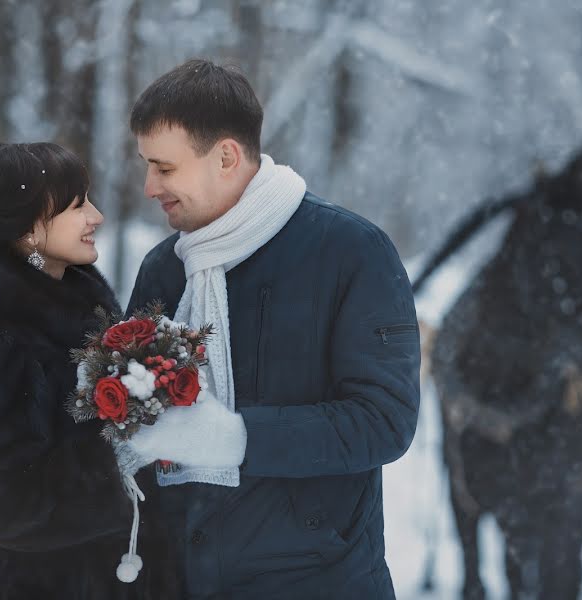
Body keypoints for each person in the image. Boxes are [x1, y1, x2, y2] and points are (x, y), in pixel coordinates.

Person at [120, 59, 421, 599]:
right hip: (182, 581)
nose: (148, 186)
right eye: (147, 166)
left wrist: (232, 438)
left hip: (317, 581)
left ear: (227, 156)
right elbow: (131, 423)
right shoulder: (163, 269)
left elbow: (384, 421)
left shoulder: (351, 252)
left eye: (164, 168)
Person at [0, 141, 183, 599]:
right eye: (77, 205)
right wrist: (119, 462)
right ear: (28, 229)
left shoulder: (76, 317)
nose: (96, 216)